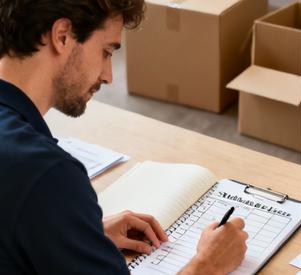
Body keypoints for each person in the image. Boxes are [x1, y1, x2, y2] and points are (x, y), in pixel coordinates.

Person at [0, 1, 249, 273]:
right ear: (62, 36)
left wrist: (72, 234)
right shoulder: (47, 174)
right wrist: (209, 264)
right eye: (106, 52)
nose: (109, 77)